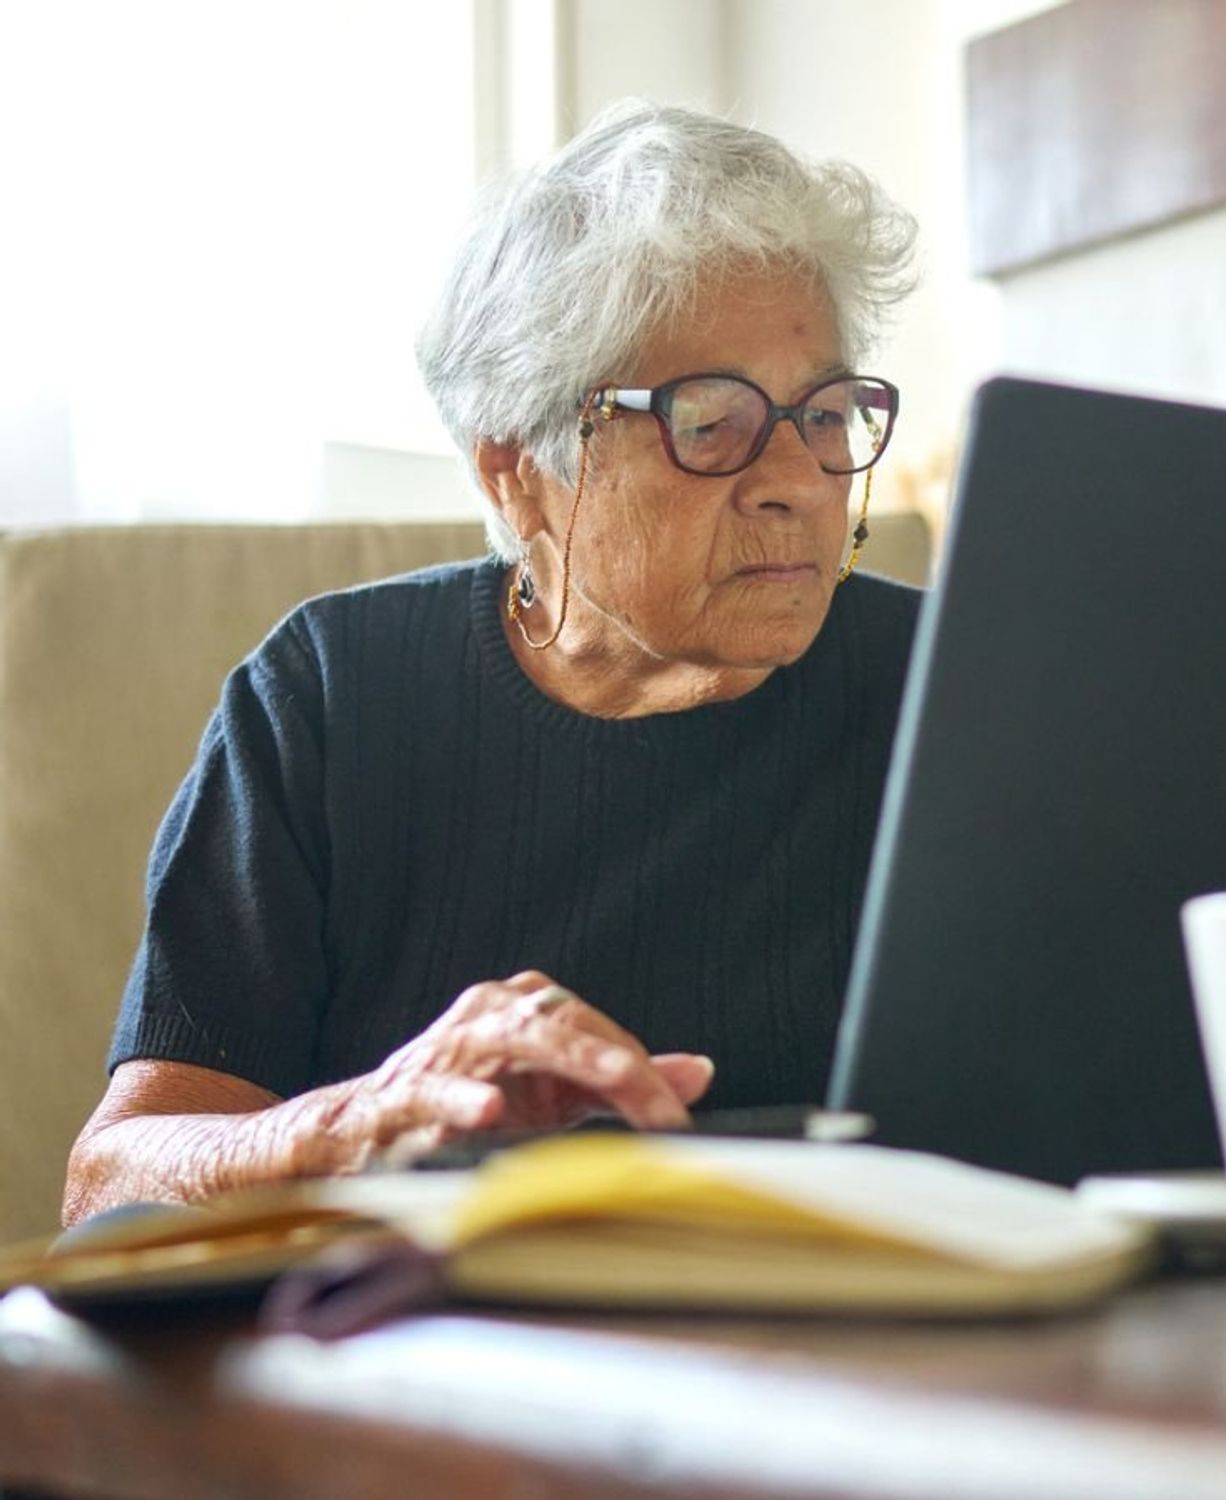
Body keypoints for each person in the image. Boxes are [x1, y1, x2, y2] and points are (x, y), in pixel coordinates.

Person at [61, 104, 922, 1225]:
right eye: (709, 423)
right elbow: (107, 1183)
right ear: (518, 471)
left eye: (823, 414)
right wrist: (356, 1122)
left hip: (885, 1344)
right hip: (450, 1357)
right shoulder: (330, 699)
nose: (800, 479)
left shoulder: (949, 689)